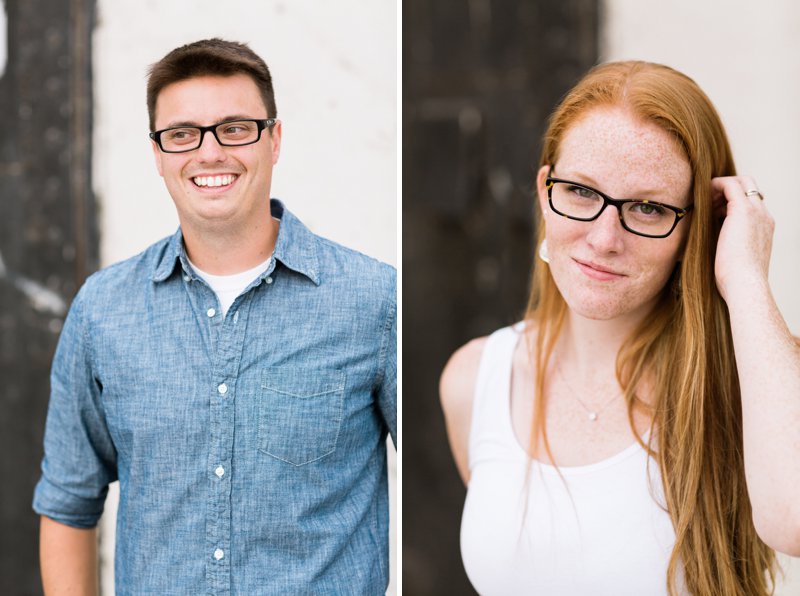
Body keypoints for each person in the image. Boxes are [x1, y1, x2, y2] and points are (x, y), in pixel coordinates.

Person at [33, 38, 396, 595]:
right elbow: (67, 503)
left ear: (274, 140)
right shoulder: (104, 310)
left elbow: (441, 489)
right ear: (158, 154)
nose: (209, 153)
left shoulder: (373, 301)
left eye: (235, 128)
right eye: (182, 134)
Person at [440, 60, 800, 596]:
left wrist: (744, 280)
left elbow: (792, 519)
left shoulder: (756, 378)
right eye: (582, 193)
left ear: (697, 226)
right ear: (545, 191)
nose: (605, 239)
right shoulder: (477, 378)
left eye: (649, 208)